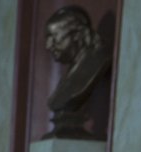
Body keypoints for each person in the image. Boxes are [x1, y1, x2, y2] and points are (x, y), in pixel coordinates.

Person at [42, 5, 111, 139]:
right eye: (47, 38)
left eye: (54, 36)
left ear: (78, 35)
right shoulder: (69, 73)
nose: (48, 45)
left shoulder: (97, 63)